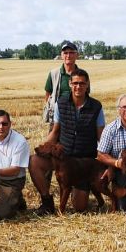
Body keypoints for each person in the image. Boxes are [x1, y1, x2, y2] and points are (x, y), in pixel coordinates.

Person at [30, 67, 106, 214]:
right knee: (34, 161)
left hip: (82, 162)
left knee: (79, 207)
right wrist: (45, 147)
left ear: (87, 85)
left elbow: (101, 137)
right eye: (75, 83)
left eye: (82, 83)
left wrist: (107, 161)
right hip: (62, 157)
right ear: (70, 84)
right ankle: (47, 201)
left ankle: (79, 189)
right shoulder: (61, 103)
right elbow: (56, 130)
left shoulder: (96, 107)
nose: (78, 87)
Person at [42, 41, 82, 127]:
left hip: (76, 116)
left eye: (71, 53)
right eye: (65, 53)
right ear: (61, 55)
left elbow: (86, 95)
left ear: (77, 55)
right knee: (53, 139)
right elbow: (48, 95)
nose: (68, 55)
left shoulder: (82, 75)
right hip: (57, 117)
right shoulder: (54, 74)